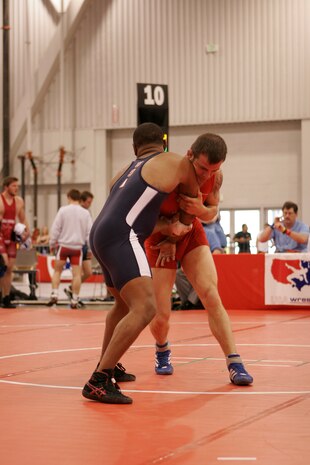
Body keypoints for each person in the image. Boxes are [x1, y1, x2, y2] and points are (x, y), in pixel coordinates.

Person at [82, 122, 198, 405]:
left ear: (135, 148)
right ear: (164, 143)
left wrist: (166, 226)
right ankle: (99, 379)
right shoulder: (175, 161)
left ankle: (109, 364)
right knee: (146, 306)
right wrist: (180, 226)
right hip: (123, 235)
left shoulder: (123, 172)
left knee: (122, 305)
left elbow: (135, 212)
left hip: (100, 233)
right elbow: (194, 196)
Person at [145, 133, 253, 386]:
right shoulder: (165, 174)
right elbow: (143, 221)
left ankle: (234, 361)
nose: (206, 175)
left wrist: (200, 210)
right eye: (202, 168)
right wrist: (170, 237)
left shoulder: (216, 176)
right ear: (189, 154)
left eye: (213, 170)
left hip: (192, 233)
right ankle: (162, 349)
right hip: (159, 240)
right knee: (160, 315)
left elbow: (211, 211)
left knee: (211, 294)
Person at [47, 189, 92, 309]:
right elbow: (89, 232)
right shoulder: (85, 213)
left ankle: (54, 294)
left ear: (68, 197)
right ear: (79, 198)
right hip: (77, 247)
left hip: (64, 246)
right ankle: (74, 299)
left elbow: (56, 229)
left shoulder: (63, 210)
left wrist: (51, 244)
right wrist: (90, 249)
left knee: (58, 271)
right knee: (77, 275)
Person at [0, 176, 30, 308]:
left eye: (17, 186)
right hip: (0, 235)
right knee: (3, 264)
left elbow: (23, 218)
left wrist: (27, 232)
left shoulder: (18, 201)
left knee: (10, 268)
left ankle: (6, 298)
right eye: (13, 186)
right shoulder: (0, 201)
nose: (16, 188)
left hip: (11, 237)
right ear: (6, 187)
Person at [64, 191, 94, 304]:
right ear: (81, 201)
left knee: (88, 272)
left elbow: (89, 231)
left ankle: (71, 289)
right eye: (88, 202)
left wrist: (90, 247)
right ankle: (75, 296)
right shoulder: (76, 212)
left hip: (85, 245)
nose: (89, 204)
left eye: (91, 203)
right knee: (77, 273)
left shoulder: (86, 212)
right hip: (76, 245)